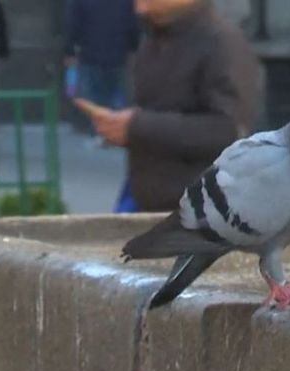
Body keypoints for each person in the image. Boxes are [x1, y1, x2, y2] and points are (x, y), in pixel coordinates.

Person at [78, 0, 260, 212]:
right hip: (152, 205)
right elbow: (156, 110)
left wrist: (137, 127)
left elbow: (227, 130)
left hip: (201, 214)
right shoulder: (153, 39)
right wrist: (121, 125)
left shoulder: (222, 42)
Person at [65, 0, 139, 125]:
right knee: (117, 95)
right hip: (117, 55)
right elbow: (133, 25)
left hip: (90, 54)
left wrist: (69, 51)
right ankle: (116, 130)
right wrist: (134, 48)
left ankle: (97, 132)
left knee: (93, 98)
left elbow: (72, 25)